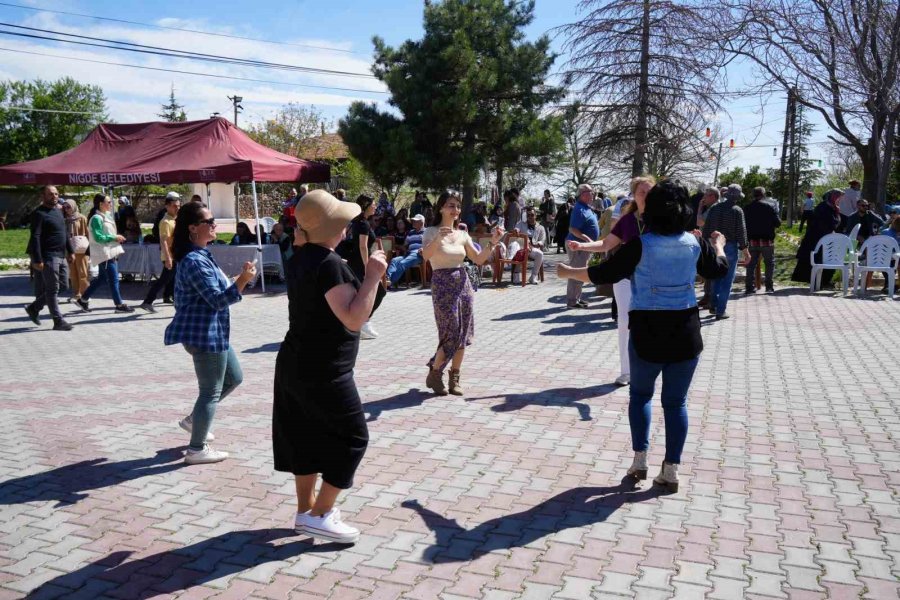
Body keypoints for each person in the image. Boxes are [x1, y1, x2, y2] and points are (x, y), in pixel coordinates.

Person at [558, 181, 729, 492]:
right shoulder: (694, 243)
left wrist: (569, 272)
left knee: (640, 396)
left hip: (647, 331)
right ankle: (672, 469)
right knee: (676, 403)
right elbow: (718, 269)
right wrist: (718, 245)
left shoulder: (640, 244)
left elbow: (604, 274)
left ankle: (640, 459)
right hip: (686, 333)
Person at [274, 190, 387, 544]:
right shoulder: (329, 263)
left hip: (296, 362)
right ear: (333, 226)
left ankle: (305, 510)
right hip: (324, 368)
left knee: (305, 438)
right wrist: (373, 276)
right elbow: (353, 318)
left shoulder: (301, 257)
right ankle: (320, 514)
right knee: (353, 438)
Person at [165, 203, 257, 465]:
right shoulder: (194, 260)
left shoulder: (201, 254)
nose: (215, 224)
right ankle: (196, 449)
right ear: (193, 228)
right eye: (210, 220)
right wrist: (242, 281)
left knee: (234, 377)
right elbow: (216, 300)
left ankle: (195, 420)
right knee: (210, 392)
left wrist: (237, 280)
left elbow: (215, 290)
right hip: (204, 335)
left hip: (213, 333)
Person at [568, 176, 654, 386]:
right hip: (625, 278)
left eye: (651, 192)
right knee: (625, 323)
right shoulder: (627, 220)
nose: (647, 196)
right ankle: (627, 372)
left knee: (651, 324)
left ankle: (648, 367)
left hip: (652, 280)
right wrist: (582, 247)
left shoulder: (662, 219)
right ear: (634, 195)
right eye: (643, 192)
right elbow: (606, 244)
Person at [422, 192, 504, 396]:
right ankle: (435, 371)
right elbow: (424, 256)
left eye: (458, 206)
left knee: (463, 332)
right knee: (451, 332)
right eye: (451, 205)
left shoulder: (462, 234)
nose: (455, 210)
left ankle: (454, 376)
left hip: (463, 284)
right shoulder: (431, 232)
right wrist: (438, 239)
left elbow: (477, 259)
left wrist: (493, 242)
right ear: (441, 208)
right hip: (442, 285)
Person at [25, 186, 74, 331]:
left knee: (64, 286)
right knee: (53, 289)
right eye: (50, 194)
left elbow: (64, 233)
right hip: (48, 257)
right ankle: (58, 321)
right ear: (43, 196)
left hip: (61, 255)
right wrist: (38, 259)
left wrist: (70, 251)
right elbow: (36, 237)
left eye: (56, 194)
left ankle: (34, 307)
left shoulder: (58, 212)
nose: (54, 196)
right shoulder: (38, 214)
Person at [76, 194, 133, 314]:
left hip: (108, 252)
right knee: (114, 279)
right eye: (108, 202)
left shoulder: (105, 215)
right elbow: (98, 237)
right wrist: (115, 237)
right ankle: (119, 304)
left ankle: (83, 300)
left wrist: (115, 238)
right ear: (101, 204)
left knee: (102, 278)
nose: (111, 204)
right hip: (104, 253)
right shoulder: (97, 218)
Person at [702, 184, 749, 320]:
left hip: (714, 245)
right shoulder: (737, 210)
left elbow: (706, 228)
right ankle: (720, 311)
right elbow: (741, 232)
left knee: (716, 277)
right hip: (729, 246)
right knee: (727, 280)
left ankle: (714, 304)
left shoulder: (715, 208)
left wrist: (706, 244)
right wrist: (746, 251)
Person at [347, 195, 384, 340]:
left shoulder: (360, 222)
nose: (375, 207)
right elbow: (363, 247)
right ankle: (363, 322)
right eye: (373, 204)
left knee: (366, 293)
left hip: (357, 262)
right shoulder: (363, 224)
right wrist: (367, 266)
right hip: (360, 263)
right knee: (378, 292)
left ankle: (362, 322)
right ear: (366, 206)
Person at [791, 189, 843, 286]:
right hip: (816, 238)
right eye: (837, 197)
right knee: (817, 260)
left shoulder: (831, 207)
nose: (838, 199)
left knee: (829, 258)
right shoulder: (823, 207)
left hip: (824, 239)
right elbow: (829, 223)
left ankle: (824, 281)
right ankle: (819, 281)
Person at [140, 193, 181, 312]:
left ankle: (168, 297)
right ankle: (147, 301)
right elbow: (163, 242)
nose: (177, 208)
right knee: (164, 279)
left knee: (172, 278)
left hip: (175, 254)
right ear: (167, 206)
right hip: (169, 256)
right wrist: (168, 258)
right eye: (174, 206)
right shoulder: (165, 222)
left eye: (178, 205)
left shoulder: (174, 219)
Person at [565, 184, 600, 309]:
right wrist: (587, 239)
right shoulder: (579, 209)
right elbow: (573, 229)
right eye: (591, 192)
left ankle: (576, 298)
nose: (593, 194)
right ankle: (572, 301)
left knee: (580, 272)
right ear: (584, 194)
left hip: (583, 246)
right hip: (577, 246)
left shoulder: (586, 207)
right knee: (576, 272)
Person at [743, 187, 781, 294]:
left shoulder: (747, 208)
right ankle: (769, 287)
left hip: (752, 241)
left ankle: (749, 287)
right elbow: (777, 223)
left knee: (751, 264)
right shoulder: (769, 207)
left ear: (753, 195)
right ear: (763, 195)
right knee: (769, 263)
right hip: (767, 241)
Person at [386, 214, 427, 287]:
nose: (413, 222)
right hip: (409, 253)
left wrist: (424, 248)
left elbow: (430, 244)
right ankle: (387, 278)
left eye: (415, 221)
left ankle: (389, 283)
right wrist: (401, 247)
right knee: (394, 260)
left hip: (419, 254)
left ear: (421, 222)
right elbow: (405, 244)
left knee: (402, 263)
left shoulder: (427, 232)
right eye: (413, 221)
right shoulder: (411, 232)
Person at [62, 199, 90, 306]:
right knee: (72, 273)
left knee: (82, 272)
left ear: (73, 206)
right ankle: (76, 293)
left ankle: (85, 294)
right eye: (65, 207)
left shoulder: (82, 218)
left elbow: (87, 233)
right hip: (69, 250)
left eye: (68, 207)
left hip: (81, 249)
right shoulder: (64, 220)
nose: (66, 209)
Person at [512, 207, 546, 285]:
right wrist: (516, 231)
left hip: (533, 248)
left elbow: (542, 240)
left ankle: (533, 277)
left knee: (540, 254)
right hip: (522, 247)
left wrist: (537, 244)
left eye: (532, 215)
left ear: (535, 215)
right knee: (522, 252)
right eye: (528, 215)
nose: (530, 217)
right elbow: (516, 229)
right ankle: (516, 275)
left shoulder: (541, 227)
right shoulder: (521, 224)